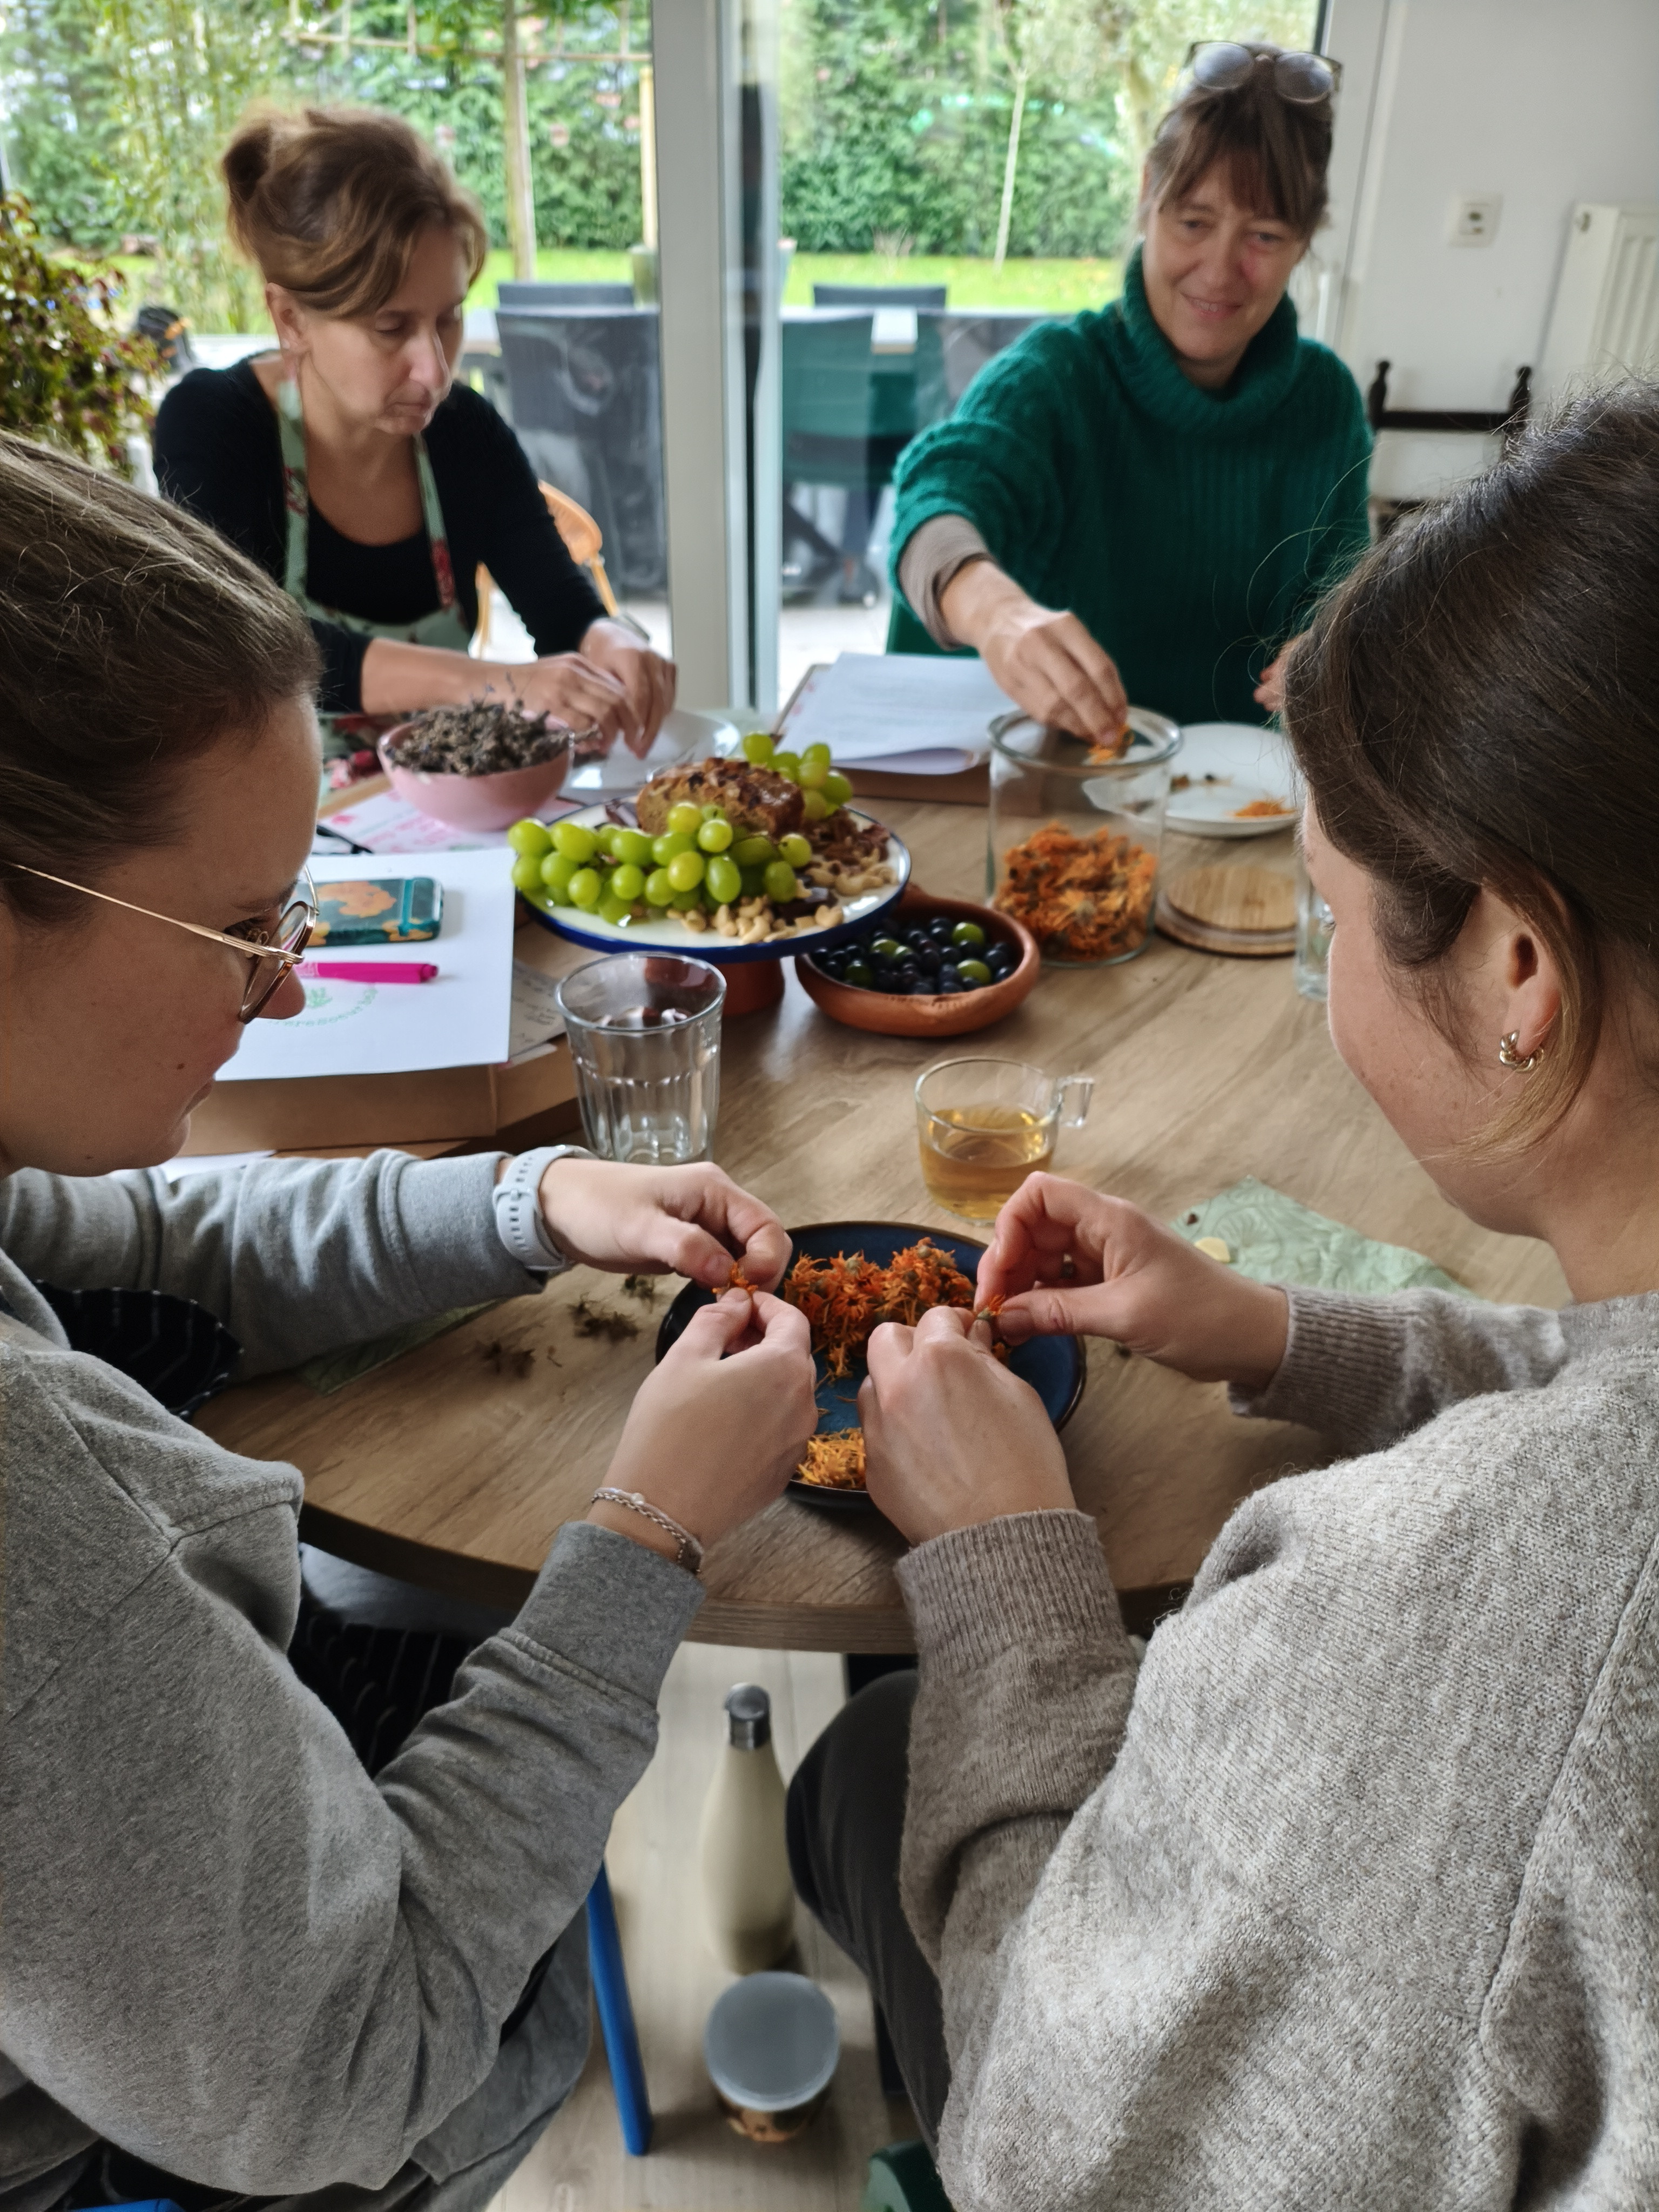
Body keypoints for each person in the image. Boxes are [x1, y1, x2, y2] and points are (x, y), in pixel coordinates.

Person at [788, 381, 1659, 2208]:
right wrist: (1281, 1329)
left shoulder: (1453, 1612)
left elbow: (1065, 2146)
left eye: (1330, 912)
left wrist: (1010, 1558)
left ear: (1517, 965)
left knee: (861, 1773)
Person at [0, 430, 818, 2212]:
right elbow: (343, 2072)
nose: (288, 978)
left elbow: (146, 1243)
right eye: (232, 925)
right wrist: (647, 1532)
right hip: (212, 2132)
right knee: (606, 1737)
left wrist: (532, 1202)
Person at [154, 106, 675, 758]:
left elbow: (559, 605)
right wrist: (499, 682)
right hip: (274, 827)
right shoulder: (215, 424)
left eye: (449, 318)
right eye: (391, 327)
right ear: (290, 317)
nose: (434, 369)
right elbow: (248, 649)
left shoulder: (464, 432)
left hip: (436, 823)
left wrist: (608, 637)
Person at [887, 42, 1370, 737]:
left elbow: (1343, 600)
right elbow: (931, 507)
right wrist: (997, 615)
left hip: (1242, 806)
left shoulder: (1326, 401)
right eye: (1194, 223)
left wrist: (1334, 649)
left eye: (1264, 235)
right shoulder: (1055, 377)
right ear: (1148, 195)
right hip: (1052, 788)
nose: (1220, 271)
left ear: (1305, 240)